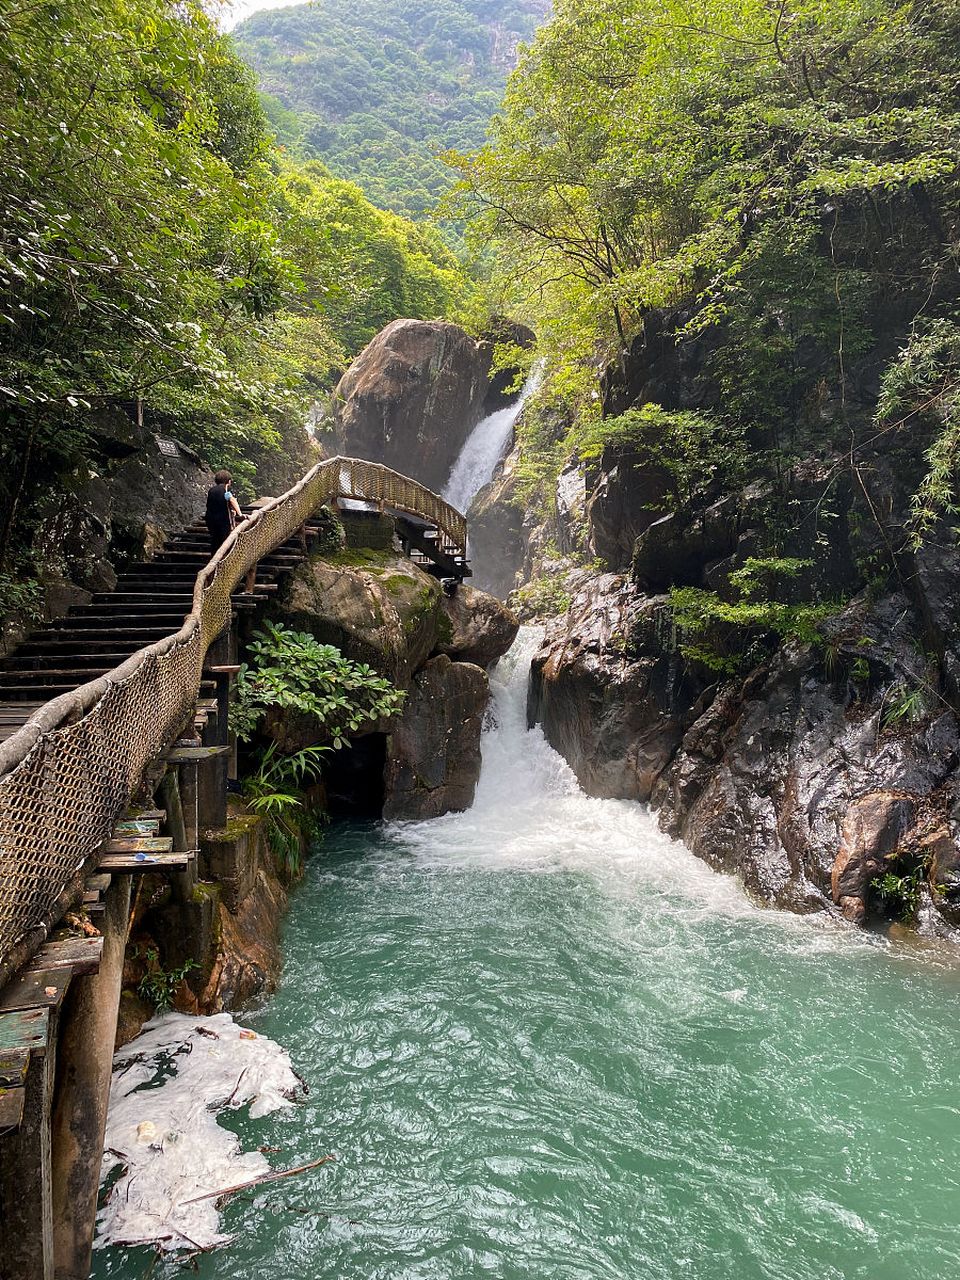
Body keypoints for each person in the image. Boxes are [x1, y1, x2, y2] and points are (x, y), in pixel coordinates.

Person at [205, 469, 243, 555]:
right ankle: (223, 561)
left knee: (215, 540)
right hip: (223, 521)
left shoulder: (211, 490)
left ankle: (213, 559)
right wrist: (240, 514)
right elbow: (232, 500)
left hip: (210, 520)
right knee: (225, 542)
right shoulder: (225, 489)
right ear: (229, 481)